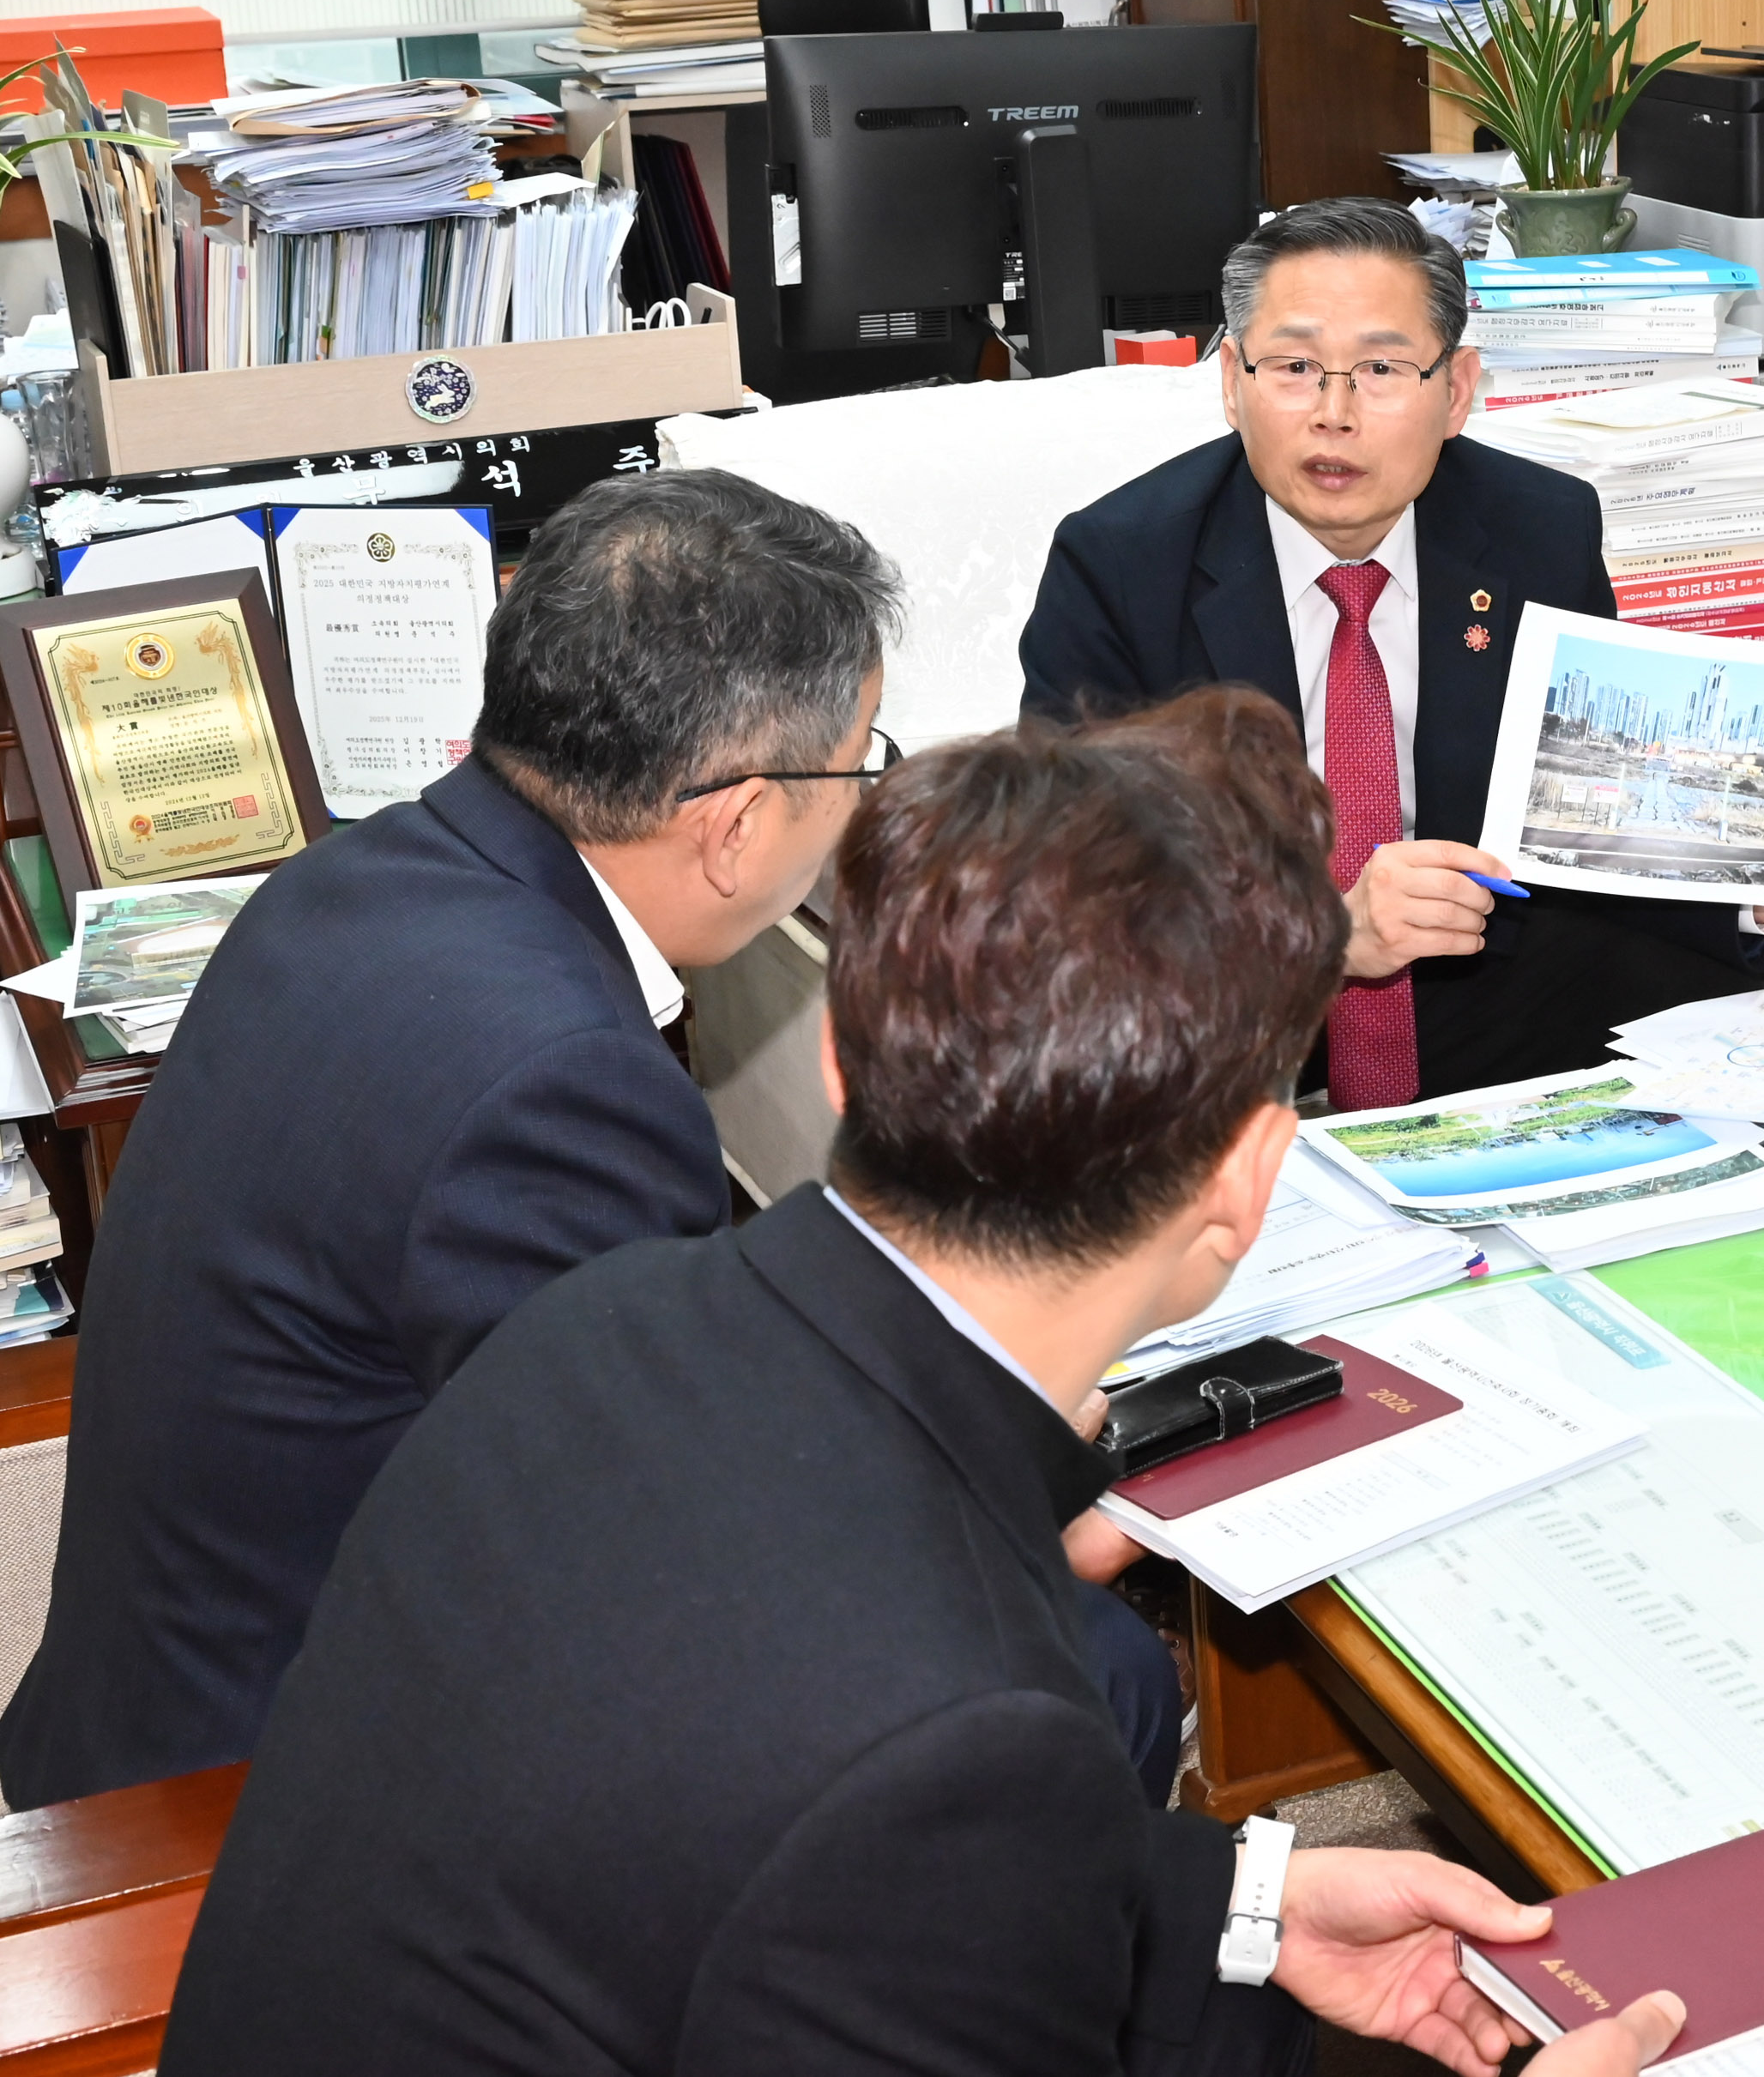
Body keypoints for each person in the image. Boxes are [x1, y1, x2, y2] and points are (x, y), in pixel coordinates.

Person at [160, 691, 1686, 2077]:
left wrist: (1243, 1896)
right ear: (1246, 1180)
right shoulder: (956, 1740)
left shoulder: (604, 1324)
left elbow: (746, 1822)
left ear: (839, 1056)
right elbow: (877, 1808)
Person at [0, 470, 927, 1811]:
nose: (864, 800)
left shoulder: (353, 876)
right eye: (860, 760)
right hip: (260, 1802)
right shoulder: (566, 1088)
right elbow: (665, 1572)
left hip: (134, 1693)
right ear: (733, 825)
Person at [1018, 196, 1764, 1107]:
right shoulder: (1120, 566)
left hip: (1494, 1060)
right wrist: (1326, 936)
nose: (1334, 413)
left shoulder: (1538, 531)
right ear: (1229, 383)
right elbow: (1075, 904)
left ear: (1456, 391)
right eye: (1293, 367)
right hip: (1236, 1072)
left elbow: (1595, 836)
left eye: (1381, 368)